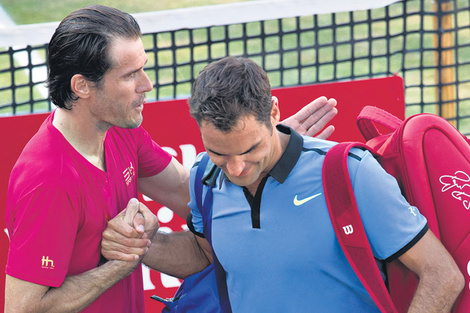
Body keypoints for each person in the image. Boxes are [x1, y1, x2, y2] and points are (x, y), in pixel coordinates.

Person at [4, 5, 338, 313]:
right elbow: (23, 307)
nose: (146, 84)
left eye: (143, 69)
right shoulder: (49, 180)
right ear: (82, 86)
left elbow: (189, 192)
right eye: (129, 75)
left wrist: (262, 150)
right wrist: (120, 264)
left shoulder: (122, 131)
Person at [101, 56, 464, 313]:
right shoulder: (203, 176)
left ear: (274, 112)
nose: (237, 168)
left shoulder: (351, 174)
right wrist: (142, 245)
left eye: (250, 149)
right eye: (219, 153)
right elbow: (205, 258)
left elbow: (442, 275)